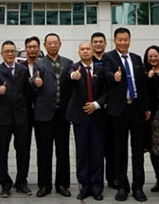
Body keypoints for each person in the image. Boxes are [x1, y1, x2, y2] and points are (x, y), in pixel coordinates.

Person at [103, 27, 149, 202]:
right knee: (119, 150)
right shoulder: (109, 57)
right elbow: (106, 74)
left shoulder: (136, 58)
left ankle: (138, 187)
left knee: (138, 150)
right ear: (114, 40)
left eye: (126, 39)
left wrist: (146, 107)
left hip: (136, 108)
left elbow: (142, 84)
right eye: (120, 40)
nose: (123, 42)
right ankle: (122, 186)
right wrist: (113, 76)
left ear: (129, 40)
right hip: (118, 110)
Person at [0, 40, 33, 197]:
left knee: (23, 151)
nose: (10, 54)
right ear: (2, 53)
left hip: (21, 118)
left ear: (16, 53)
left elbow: (28, 93)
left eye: (12, 51)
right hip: (3, 118)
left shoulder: (23, 70)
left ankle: (21, 182)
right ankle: (5, 184)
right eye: (6, 51)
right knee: (2, 151)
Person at [65, 41, 108, 201]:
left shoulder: (101, 69)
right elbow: (70, 76)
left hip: (97, 117)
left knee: (97, 153)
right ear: (79, 52)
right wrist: (74, 76)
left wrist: (96, 104)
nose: (85, 51)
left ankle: (97, 187)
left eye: (87, 49)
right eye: (82, 49)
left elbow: (107, 91)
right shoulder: (73, 67)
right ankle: (84, 186)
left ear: (92, 51)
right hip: (80, 117)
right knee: (82, 153)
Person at [32, 33, 73, 197]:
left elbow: (72, 83)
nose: (53, 45)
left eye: (55, 43)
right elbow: (33, 86)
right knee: (43, 152)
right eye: (49, 43)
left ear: (60, 44)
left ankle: (62, 184)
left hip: (62, 115)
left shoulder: (68, 63)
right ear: (45, 45)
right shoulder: (39, 63)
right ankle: (44, 185)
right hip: (44, 115)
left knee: (63, 152)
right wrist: (35, 83)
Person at [142, 46, 159, 195]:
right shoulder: (144, 73)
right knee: (155, 149)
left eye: (155, 56)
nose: (153, 58)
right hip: (152, 116)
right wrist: (148, 78)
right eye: (150, 56)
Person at [90, 32, 114, 190]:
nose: (98, 44)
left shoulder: (111, 60)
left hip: (109, 109)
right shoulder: (87, 61)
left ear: (105, 44)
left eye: (101, 42)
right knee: (94, 148)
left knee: (111, 147)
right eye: (95, 42)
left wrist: (105, 101)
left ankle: (112, 178)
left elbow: (113, 85)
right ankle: (94, 179)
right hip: (92, 109)